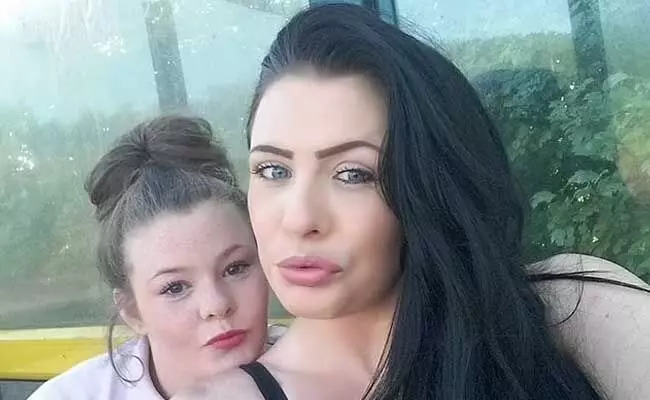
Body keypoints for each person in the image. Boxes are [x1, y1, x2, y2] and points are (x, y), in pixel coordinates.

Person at [175, 4, 650, 400]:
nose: (300, 219)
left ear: (427, 187)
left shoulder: (570, 307)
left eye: (353, 174)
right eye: (273, 170)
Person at [29, 116, 272, 399]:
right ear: (133, 311)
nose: (216, 305)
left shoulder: (317, 379)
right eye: (175, 287)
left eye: (235, 268)